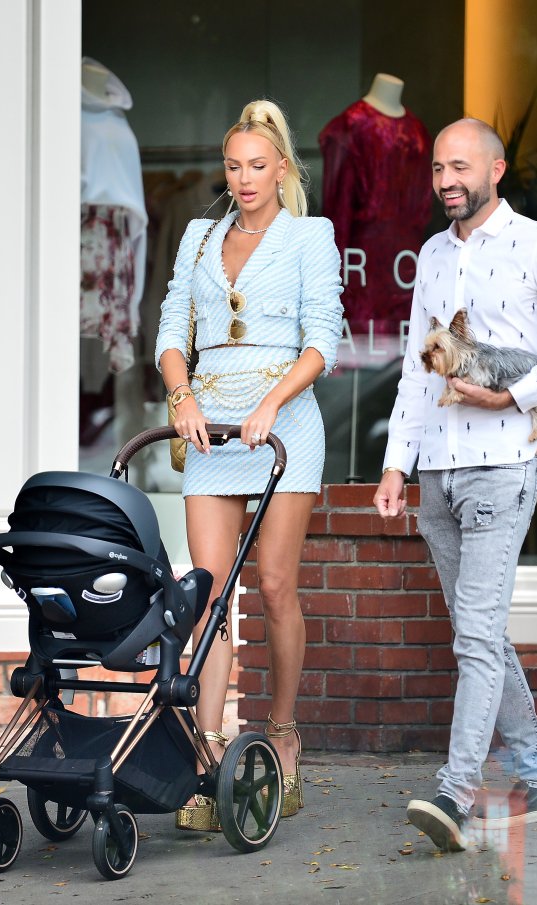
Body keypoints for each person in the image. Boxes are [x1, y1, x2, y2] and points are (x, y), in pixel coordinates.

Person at [373, 118, 537, 852]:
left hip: (506, 462)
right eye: (439, 167)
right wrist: (394, 464)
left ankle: (456, 791)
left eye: (460, 166)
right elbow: (418, 367)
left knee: (473, 635)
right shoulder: (433, 256)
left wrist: (515, 397)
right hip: (438, 472)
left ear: (496, 170)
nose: (447, 180)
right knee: (480, 633)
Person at [154, 100, 343, 832]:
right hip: (209, 431)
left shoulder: (309, 236)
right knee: (207, 594)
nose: (243, 179)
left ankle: (285, 730)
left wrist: (271, 401)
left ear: (283, 169)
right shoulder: (200, 237)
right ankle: (206, 755)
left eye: (257, 166)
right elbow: (173, 327)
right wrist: (179, 395)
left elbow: (323, 339)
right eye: (233, 166)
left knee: (273, 584)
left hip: (283, 425)